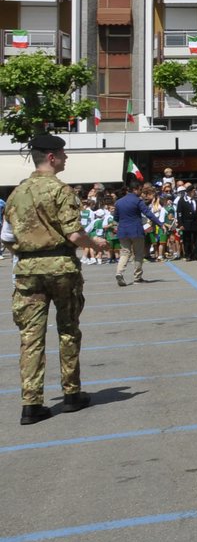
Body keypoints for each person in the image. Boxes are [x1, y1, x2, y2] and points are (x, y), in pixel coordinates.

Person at [7, 134, 95, 424]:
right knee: (68, 329)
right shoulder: (61, 190)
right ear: (52, 157)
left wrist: (27, 249)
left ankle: (31, 404)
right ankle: (71, 394)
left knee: (30, 337)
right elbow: (73, 234)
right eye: (63, 153)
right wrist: (95, 244)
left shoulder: (16, 193)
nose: (66, 158)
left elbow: (6, 236)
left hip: (27, 271)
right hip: (60, 267)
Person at [113, 177, 160, 287]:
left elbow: (116, 218)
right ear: (135, 189)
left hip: (123, 231)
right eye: (140, 190)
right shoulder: (138, 201)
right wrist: (160, 224)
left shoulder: (118, 202)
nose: (142, 193)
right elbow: (149, 214)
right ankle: (137, 277)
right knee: (138, 254)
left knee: (125, 253)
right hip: (136, 231)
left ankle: (119, 273)